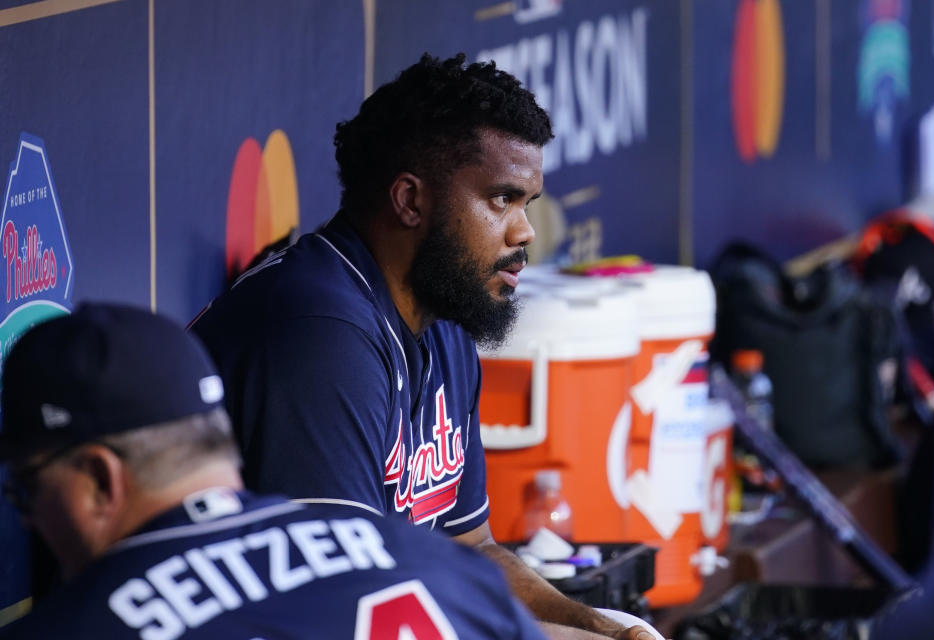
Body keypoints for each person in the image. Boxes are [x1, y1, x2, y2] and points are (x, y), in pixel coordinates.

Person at [190, 53, 659, 640]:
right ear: (410, 201)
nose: (525, 232)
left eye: (527, 204)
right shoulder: (319, 334)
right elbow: (344, 609)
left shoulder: (442, 322)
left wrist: (603, 628)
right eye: (500, 200)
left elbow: (473, 549)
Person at [0, 303, 554, 639]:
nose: (29, 520)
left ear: (99, 480)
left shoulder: (70, 630)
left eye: (27, 489)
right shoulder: (434, 563)